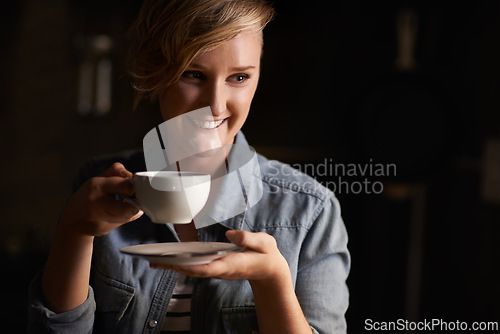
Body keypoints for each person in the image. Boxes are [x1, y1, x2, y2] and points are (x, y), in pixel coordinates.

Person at [28, 0, 350, 333]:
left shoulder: (310, 211)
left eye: (238, 77)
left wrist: (273, 281)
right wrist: (74, 232)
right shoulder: (98, 186)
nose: (215, 104)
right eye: (194, 75)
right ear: (156, 74)